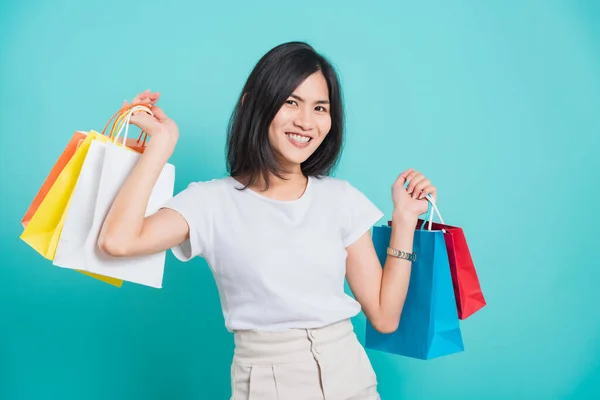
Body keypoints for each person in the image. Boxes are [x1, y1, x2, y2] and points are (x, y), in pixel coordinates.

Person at [97, 41, 437, 400]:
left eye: (320, 107)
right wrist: (161, 144)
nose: (306, 121)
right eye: (291, 102)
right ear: (254, 104)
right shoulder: (211, 201)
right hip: (266, 383)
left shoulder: (342, 198)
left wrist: (404, 222)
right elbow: (118, 242)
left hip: (351, 378)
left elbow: (385, 317)